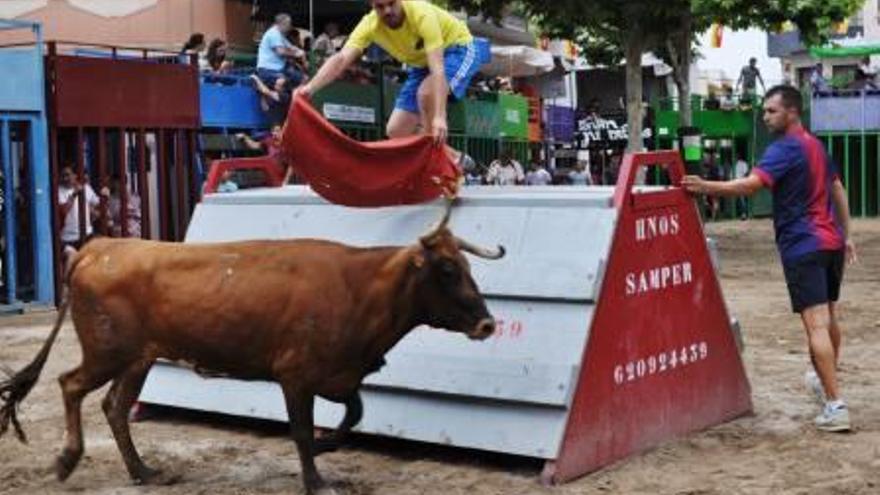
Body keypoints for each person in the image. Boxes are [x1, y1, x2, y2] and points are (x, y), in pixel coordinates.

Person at [682, 85, 857, 432]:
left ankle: (835, 405)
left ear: (792, 112)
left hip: (803, 245)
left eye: (771, 111)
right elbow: (838, 189)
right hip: (830, 244)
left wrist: (705, 186)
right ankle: (826, 387)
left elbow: (750, 185)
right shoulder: (816, 146)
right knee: (829, 316)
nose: (765, 116)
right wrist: (847, 235)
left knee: (816, 324)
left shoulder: (785, 148)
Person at [294, 0, 480, 172]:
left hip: (458, 49)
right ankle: (454, 157)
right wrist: (310, 88)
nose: (388, 11)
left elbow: (437, 69)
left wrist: (439, 117)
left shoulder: (421, 14)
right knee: (397, 131)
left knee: (426, 93)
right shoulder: (370, 24)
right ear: (372, 5)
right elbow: (341, 58)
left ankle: (437, 162)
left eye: (392, 3)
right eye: (380, 6)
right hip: (421, 63)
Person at [57, 165, 107, 256]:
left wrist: (104, 196)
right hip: (68, 238)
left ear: (75, 175)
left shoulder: (86, 188)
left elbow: (97, 203)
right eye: (63, 175)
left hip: (87, 234)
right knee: (72, 261)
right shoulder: (58, 191)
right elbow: (63, 211)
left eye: (68, 175)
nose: (65, 178)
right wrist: (74, 195)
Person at [257, 14, 306, 94]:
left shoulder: (280, 34)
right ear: (281, 24)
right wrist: (296, 54)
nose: (290, 26)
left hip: (279, 68)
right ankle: (275, 103)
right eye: (288, 24)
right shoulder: (273, 33)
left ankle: (296, 102)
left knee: (303, 78)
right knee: (284, 82)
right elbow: (281, 52)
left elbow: (291, 47)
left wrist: (300, 51)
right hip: (268, 70)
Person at [733, 153, 750, 220]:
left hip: (740, 182)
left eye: (737, 156)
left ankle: (744, 214)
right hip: (736, 182)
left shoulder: (743, 164)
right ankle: (741, 214)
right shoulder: (736, 164)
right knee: (739, 199)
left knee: (742, 199)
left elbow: (746, 173)